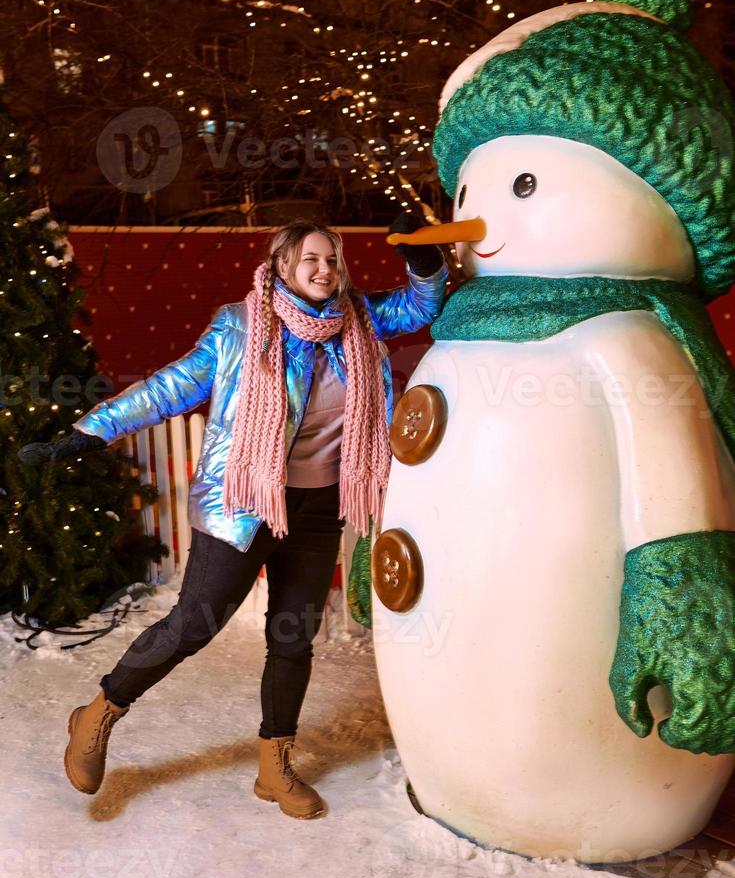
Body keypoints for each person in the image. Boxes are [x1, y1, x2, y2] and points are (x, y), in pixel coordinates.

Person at [20, 217, 447, 819]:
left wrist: (422, 256)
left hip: (319, 507)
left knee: (293, 638)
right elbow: (171, 387)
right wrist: (87, 433)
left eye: (332, 259)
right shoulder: (240, 326)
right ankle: (97, 714)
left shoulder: (361, 319)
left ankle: (275, 767)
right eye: (309, 261)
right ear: (280, 268)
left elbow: (423, 301)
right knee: (194, 624)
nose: (324, 270)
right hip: (243, 504)